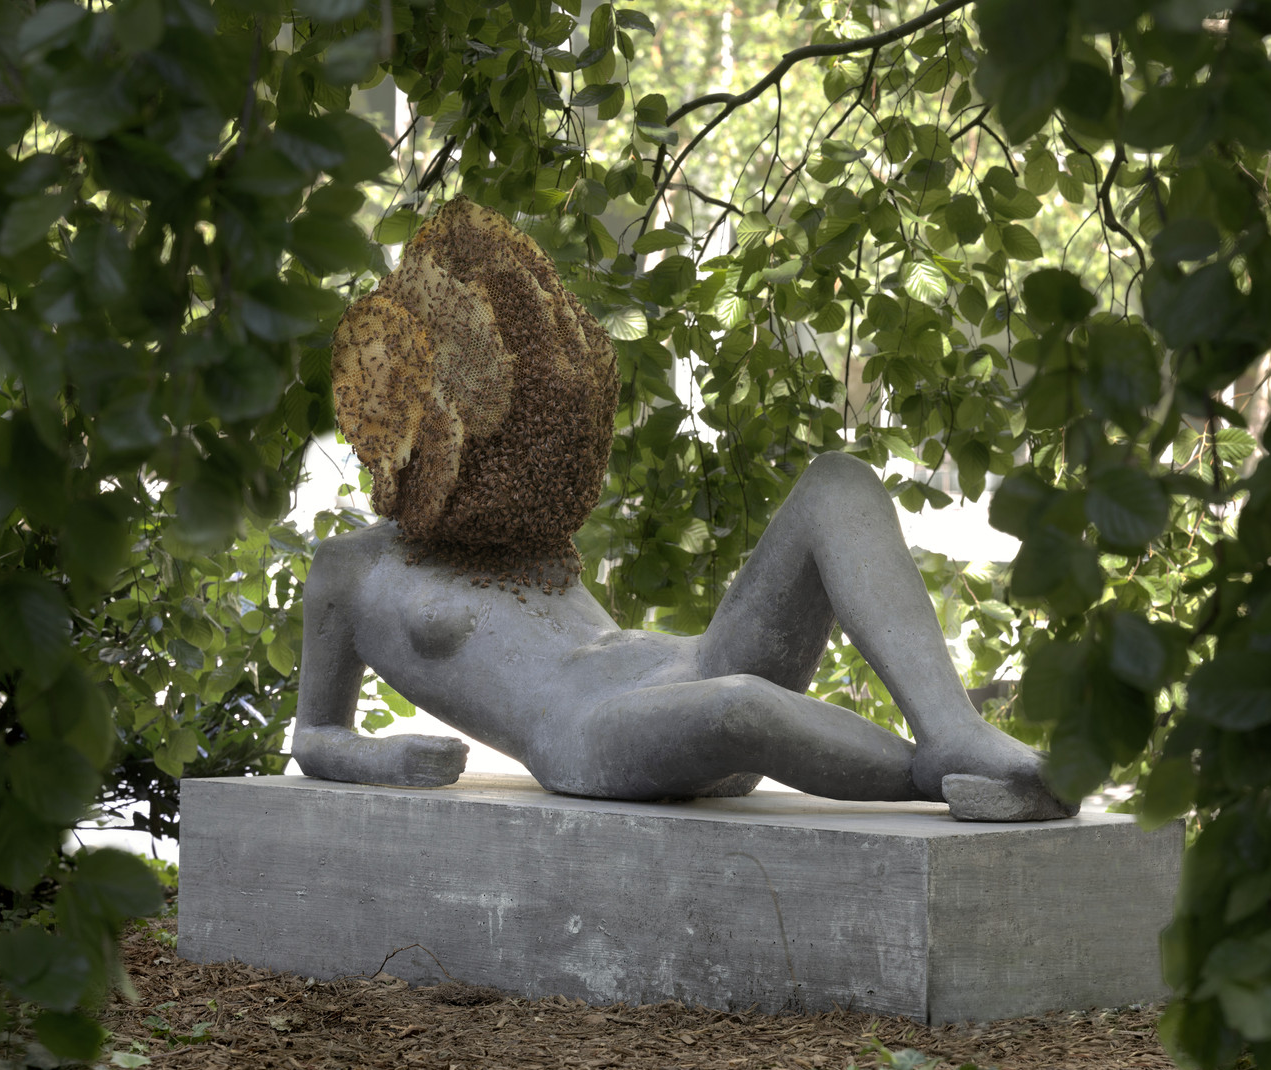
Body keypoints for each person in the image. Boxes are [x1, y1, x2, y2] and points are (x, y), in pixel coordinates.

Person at [290, 198, 1077, 822]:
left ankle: (952, 731)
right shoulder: (351, 570)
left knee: (837, 482)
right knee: (742, 706)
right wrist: (380, 758)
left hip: (687, 664)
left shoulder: (515, 527)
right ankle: (937, 777)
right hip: (590, 735)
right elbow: (314, 735)